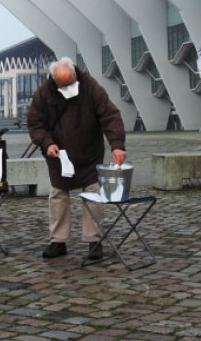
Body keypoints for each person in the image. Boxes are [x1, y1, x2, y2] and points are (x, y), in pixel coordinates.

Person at [27, 57, 127, 260]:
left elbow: (110, 116)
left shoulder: (91, 87)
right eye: (63, 85)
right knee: (58, 195)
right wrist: (47, 143)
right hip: (58, 154)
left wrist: (117, 145)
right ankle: (58, 241)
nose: (68, 87)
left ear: (75, 74)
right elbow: (35, 123)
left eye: (70, 83)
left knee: (92, 194)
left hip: (88, 151)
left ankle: (94, 240)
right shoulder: (44, 92)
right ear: (54, 81)